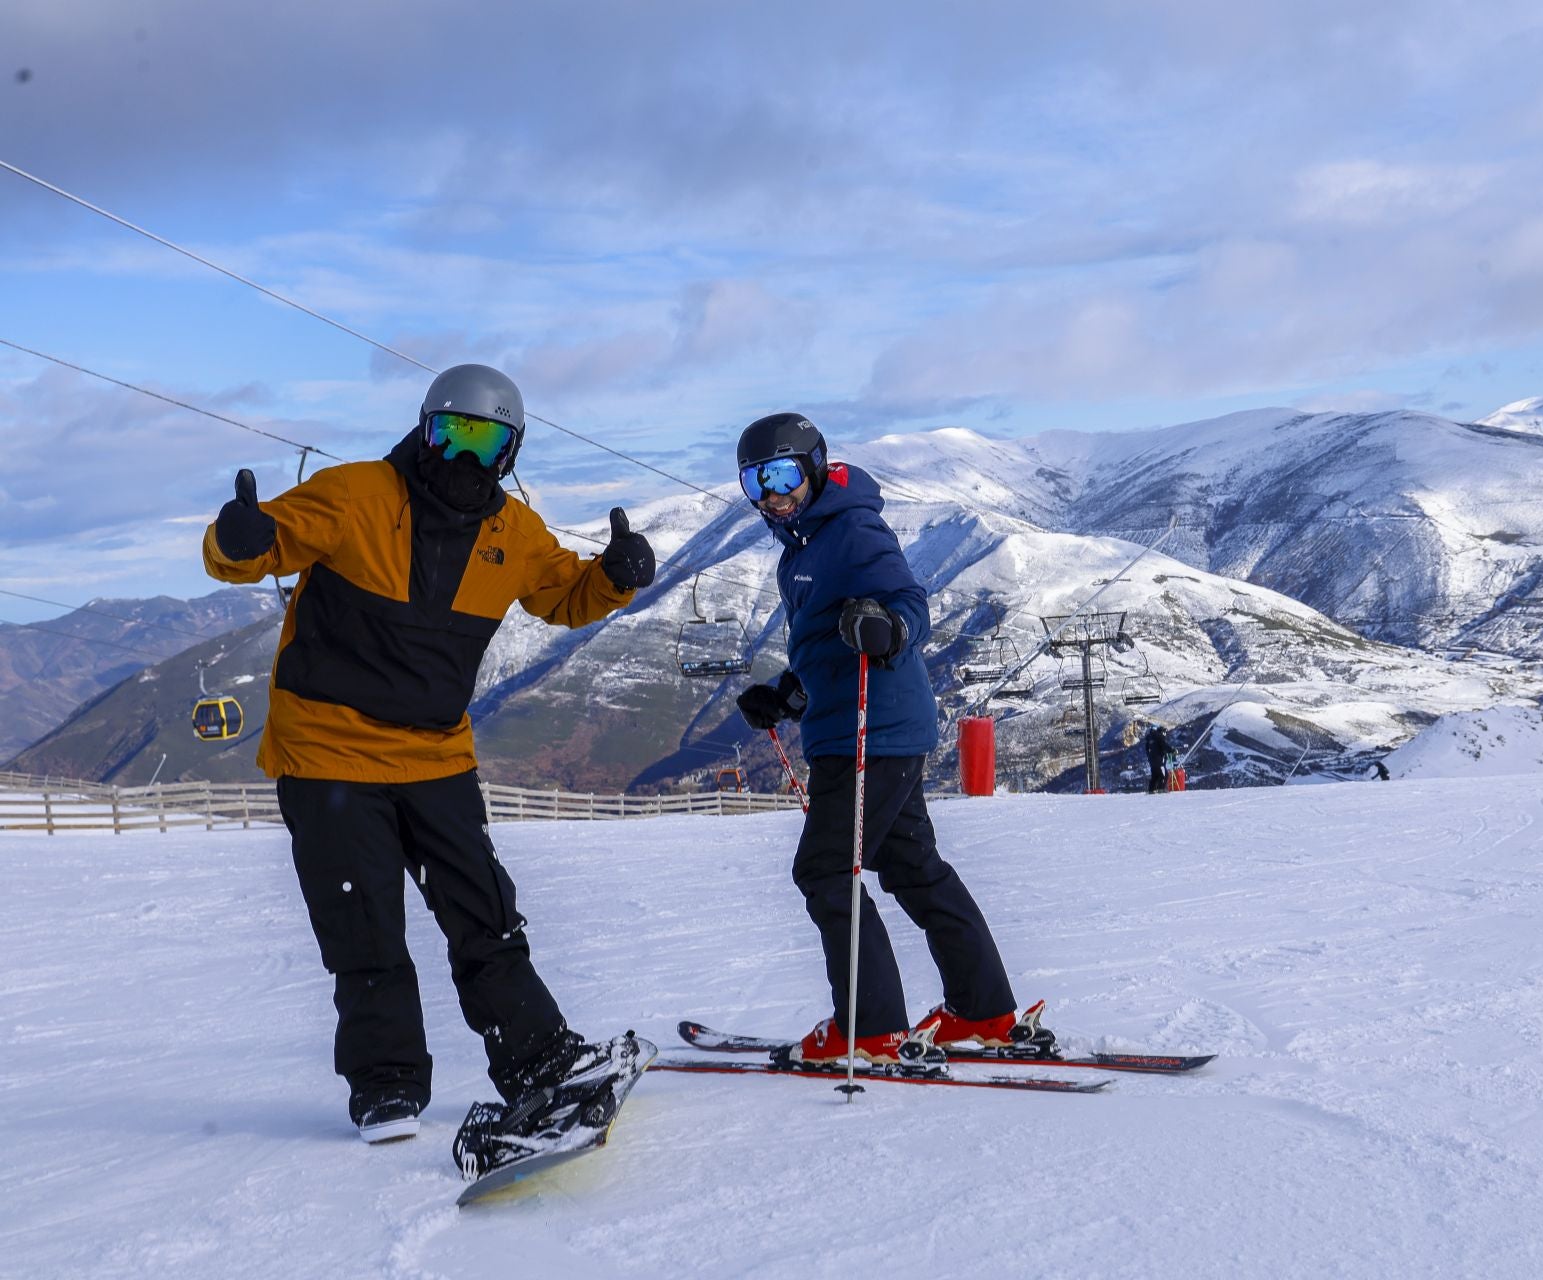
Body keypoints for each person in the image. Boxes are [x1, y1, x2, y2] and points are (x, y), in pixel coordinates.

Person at [202, 364, 657, 1142]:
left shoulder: (513, 533)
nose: (464, 458)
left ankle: (538, 1059)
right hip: (328, 753)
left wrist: (612, 579)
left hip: (437, 756)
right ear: (424, 427)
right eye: (452, 433)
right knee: (363, 926)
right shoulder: (357, 494)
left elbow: (562, 595)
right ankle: (386, 1087)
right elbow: (261, 546)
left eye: (485, 441)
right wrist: (238, 538)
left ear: (511, 452)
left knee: (486, 914)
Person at [731, 412, 1035, 1068]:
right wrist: (785, 696)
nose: (771, 494)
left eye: (781, 474)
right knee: (910, 867)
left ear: (813, 467)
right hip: (864, 727)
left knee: (823, 869)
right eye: (755, 482)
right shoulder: (804, 545)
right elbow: (825, 646)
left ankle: (868, 1030)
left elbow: (907, 602)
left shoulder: (851, 528)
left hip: (873, 734)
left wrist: (890, 627)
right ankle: (984, 1012)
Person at [1144, 723, 1174, 793]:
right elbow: (1165, 746)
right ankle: (1161, 789)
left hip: (1151, 761)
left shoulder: (1149, 738)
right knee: (1164, 775)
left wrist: (1150, 757)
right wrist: (1172, 750)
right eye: (1165, 732)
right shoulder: (1159, 737)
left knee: (1155, 776)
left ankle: (1151, 790)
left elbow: (1147, 750)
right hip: (1159, 760)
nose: (1165, 734)